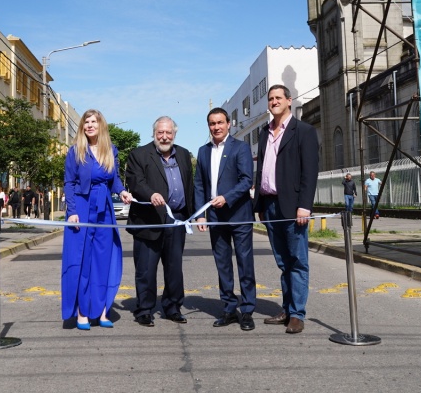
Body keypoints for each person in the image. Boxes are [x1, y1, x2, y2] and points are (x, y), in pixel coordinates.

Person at [254, 85, 319, 335]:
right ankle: (286, 307)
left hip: (293, 207)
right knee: (283, 263)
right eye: (270, 99)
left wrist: (305, 205)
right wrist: (260, 204)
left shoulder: (303, 131)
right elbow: (262, 171)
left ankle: (297, 314)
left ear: (289, 101)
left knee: (297, 261)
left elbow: (309, 172)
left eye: (278, 98)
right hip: (269, 206)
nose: (273, 102)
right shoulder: (264, 133)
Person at [62, 109, 132, 330]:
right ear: (82, 127)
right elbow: (69, 184)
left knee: (103, 260)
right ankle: (82, 312)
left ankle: (102, 311)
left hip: (105, 210)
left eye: (94, 122)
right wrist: (72, 211)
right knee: (82, 261)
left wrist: (122, 192)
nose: (90, 125)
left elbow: (114, 180)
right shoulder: (75, 152)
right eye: (86, 122)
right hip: (81, 209)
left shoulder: (111, 150)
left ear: (101, 126)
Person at [126, 116, 194, 327]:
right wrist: (151, 194)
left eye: (168, 133)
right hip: (149, 220)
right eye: (160, 133)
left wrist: (194, 215)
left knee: (174, 268)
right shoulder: (139, 154)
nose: (164, 137)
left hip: (177, 220)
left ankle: (173, 307)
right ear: (154, 133)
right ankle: (144, 310)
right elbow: (136, 181)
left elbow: (190, 185)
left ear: (174, 134)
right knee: (146, 269)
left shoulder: (183, 154)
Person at [193, 107, 256, 331]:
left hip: (239, 215)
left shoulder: (241, 147)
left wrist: (226, 198)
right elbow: (199, 185)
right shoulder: (202, 151)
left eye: (220, 122)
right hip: (215, 218)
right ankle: (229, 308)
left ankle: (247, 310)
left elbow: (247, 179)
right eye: (212, 123)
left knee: (244, 264)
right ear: (208, 126)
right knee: (223, 265)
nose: (216, 127)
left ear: (229, 124)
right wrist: (200, 214)